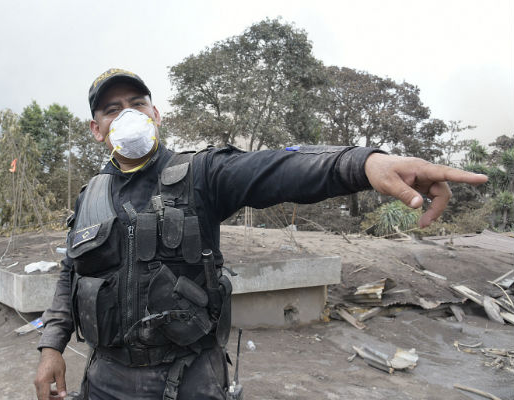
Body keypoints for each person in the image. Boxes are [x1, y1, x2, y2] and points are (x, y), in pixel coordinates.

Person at [34, 68, 487, 400]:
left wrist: (364, 164)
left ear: (157, 114)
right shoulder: (90, 195)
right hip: (104, 380)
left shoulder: (201, 173)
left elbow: (279, 167)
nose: (127, 114)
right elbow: (72, 274)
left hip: (188, 380)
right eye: (113, 109)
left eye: (137, 103)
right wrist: (51, 347)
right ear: (97, 130)